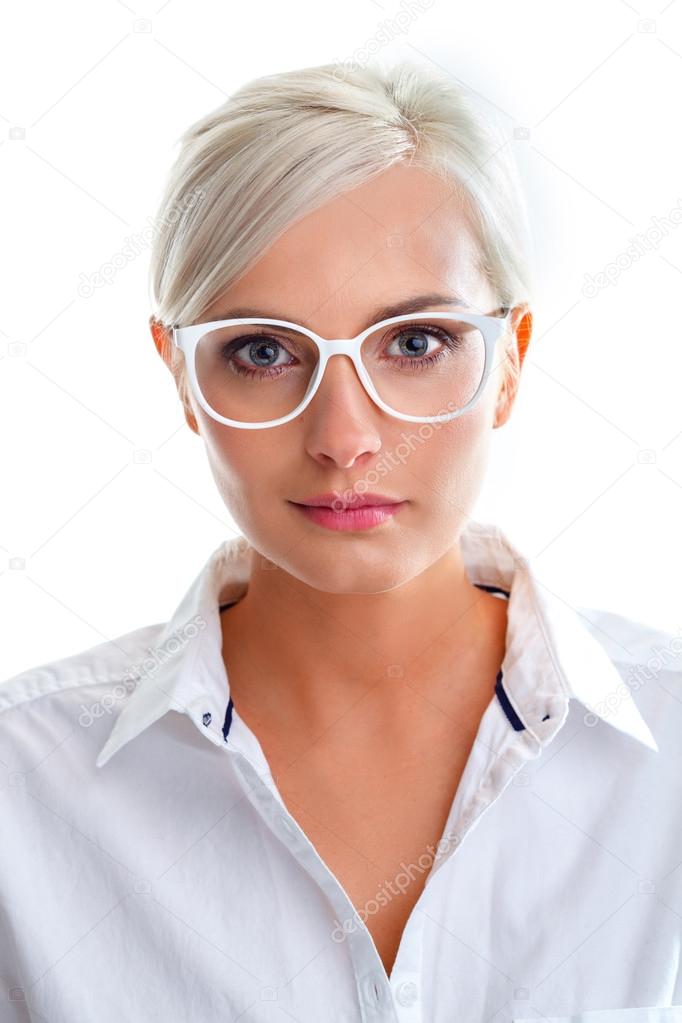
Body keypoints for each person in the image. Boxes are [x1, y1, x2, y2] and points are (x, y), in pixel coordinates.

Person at [1, 59, 680, 1023]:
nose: (345, 438)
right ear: (183, 378)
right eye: (263, 352)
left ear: (512, 360)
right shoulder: (20, 798)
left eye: (414, 343)